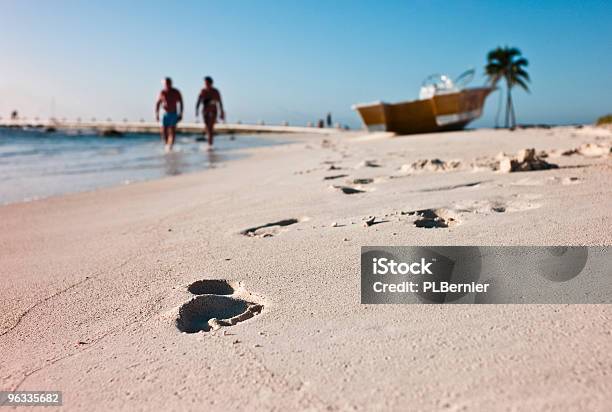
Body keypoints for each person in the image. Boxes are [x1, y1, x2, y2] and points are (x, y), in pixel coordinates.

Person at [155, 77, 183, 152]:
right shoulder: (162, 92)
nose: (167, 84)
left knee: (172, 130)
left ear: (171, 83)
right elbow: (158, 103)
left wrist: (181, 113)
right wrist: (156, 114)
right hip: (164, 113)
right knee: (164, 131)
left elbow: (181, 102)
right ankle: (166, 145)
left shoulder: (176, 92)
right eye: (166, 83)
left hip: (173, 113)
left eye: (168, 83)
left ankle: (170, 146)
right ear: (164, 84)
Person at [196, 76, 225, 149]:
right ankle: (209, 141)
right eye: (205, 83)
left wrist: (221, 112)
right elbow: (198, 101)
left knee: (210, 127)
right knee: (207, 127)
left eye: (207, 83)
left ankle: (210, 144)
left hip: (213, 110)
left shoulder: (215, 91)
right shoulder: (202, 91)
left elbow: (220, 102)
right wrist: (196, 110)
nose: (206, 85)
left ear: (211, 83)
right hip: (205, 111)